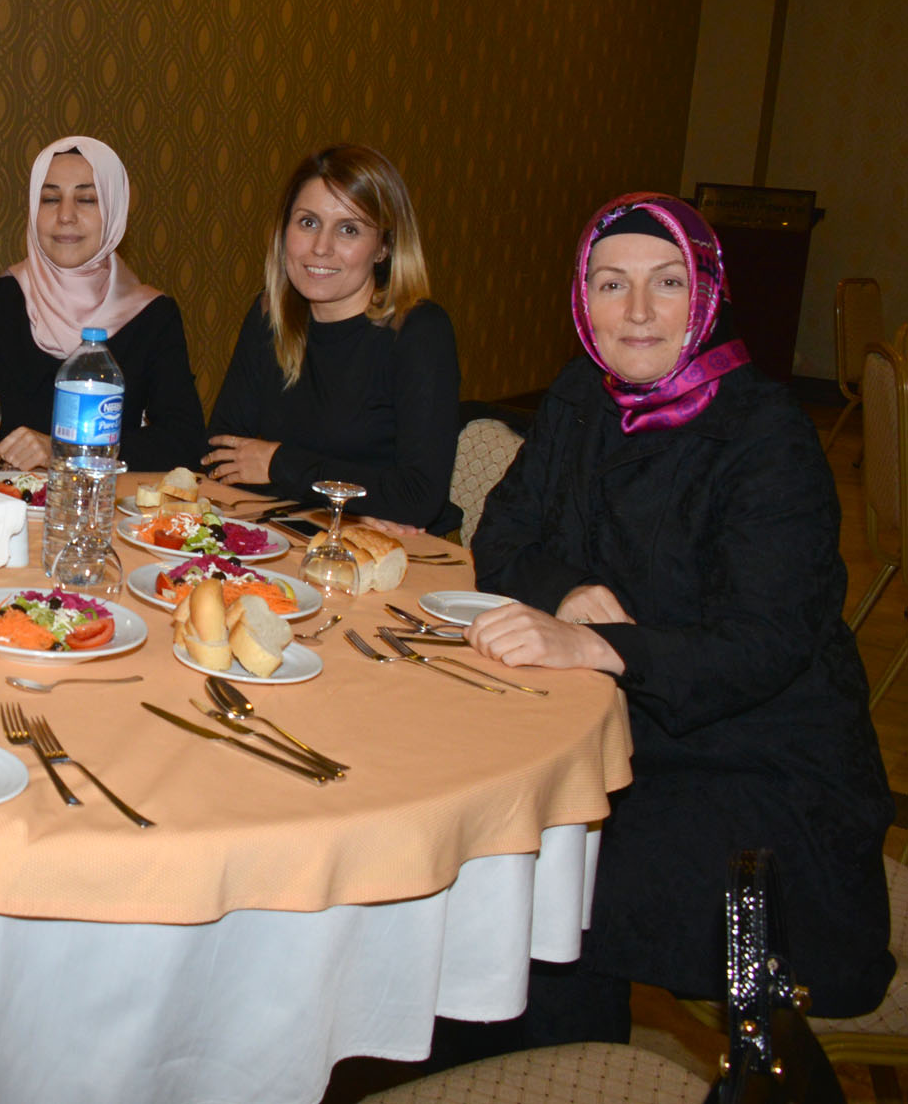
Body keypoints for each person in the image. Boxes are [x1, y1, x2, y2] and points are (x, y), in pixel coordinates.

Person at [459, 192, 892, 1047]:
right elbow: (500, 536)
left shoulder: (766, 436)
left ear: (707, 293)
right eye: (610, 284)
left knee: (549, 879)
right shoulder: (580, 396)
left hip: (756, 770)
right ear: (582, 299)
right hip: (617, 736)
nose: (637, 312)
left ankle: (562, 1070)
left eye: (667, 282)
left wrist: (599, 646)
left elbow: (762, 645)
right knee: (492, 835)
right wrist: (567, 590)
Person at [202, 144, 461, 534]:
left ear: (384, 247)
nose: (321, 247)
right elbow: (220, 456)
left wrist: (279, 465)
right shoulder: (271, 315)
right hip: (298, 531)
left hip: (398, 550)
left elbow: (417, 497)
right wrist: (343, 502)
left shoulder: (419, 331)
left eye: (348, 229)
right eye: (308, 223)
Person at [0, 136, 204, 472]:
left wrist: (67, 452)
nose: (65, 215)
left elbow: (184, 442)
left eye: (86, 199)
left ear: (114, 211)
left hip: (95, 501)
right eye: (50, 199)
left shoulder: (152, 316)